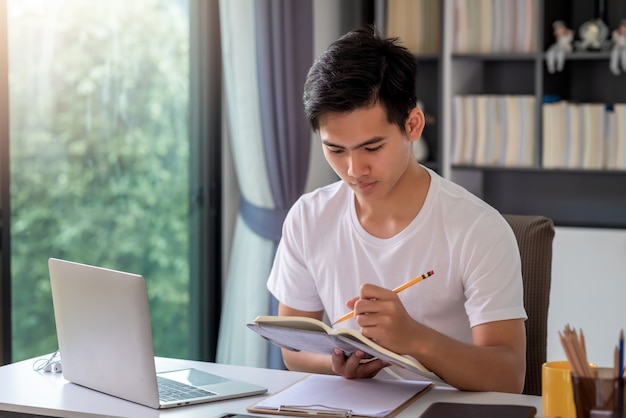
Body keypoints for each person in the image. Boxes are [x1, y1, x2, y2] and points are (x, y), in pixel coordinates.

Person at [266, 26, 527, 394]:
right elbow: (293, 350)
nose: (355, 170)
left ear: (413, 125)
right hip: (351, 405)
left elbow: (508, 377)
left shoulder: (477, 228)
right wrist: (338, 365)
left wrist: (413, 338)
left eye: (372, 148)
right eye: (336, 150)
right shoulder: (309, 217)